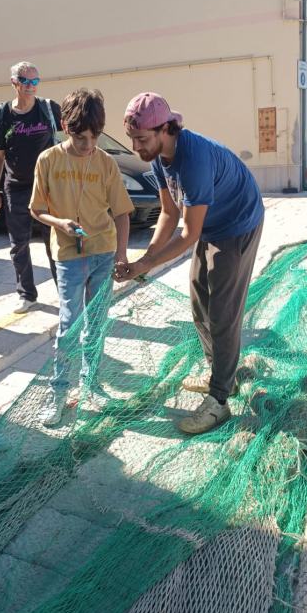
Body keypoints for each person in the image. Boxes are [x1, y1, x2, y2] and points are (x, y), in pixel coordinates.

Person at [116, 92, 264, 435]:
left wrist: (145, 266)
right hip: (211, 222)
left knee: (223, 313)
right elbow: (168, 213)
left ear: (166, 128)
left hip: (237, 223)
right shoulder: (156, 157)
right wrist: (146, 258)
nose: (137, 147)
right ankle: (221, 376)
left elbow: (188, 235)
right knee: (200, 304)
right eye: (132, 139)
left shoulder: (193, 159)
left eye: (142, 139)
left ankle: (219, 401)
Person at [30, 88, 133, 426]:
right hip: (68, 257)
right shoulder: (48, 160)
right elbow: (37, 209)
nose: (88, 143)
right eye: (80, 136)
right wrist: (59, 222)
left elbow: (121, 213)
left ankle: (91, 383)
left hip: (103, 252)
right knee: (69, 324)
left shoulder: (105, 162)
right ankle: (58, 391)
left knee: (97, 324)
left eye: (94, 136)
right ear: (65, 126)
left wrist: (121, 255)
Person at [0, 61, 60, 313]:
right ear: (14, 82)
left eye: (35, 81)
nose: (31, 86)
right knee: (18, 243)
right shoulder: (4, 114)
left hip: (47, 188)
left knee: (54, 241)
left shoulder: (48, 109)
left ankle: (65, 291)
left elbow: (69, 142)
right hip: (16, 187)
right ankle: (27, 294)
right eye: (26, 81)